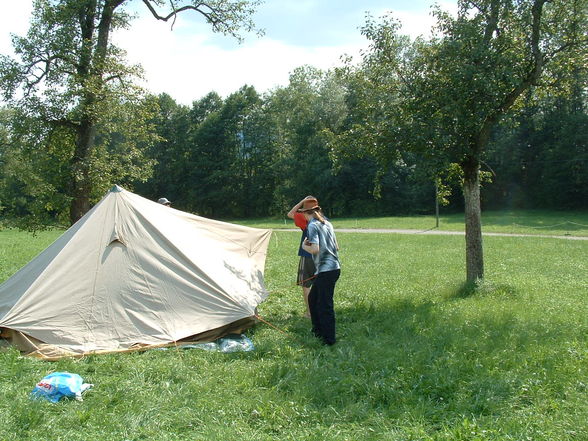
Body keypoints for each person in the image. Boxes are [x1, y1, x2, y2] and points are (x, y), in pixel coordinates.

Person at [300, 202, 340, 346]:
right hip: (334, 268)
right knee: (313, 299)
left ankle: (329, 340)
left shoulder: (312, 225)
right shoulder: (328, 224)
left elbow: (315, 249)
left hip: (326, 271)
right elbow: (337, 246)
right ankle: (317, 331)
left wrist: (304, 246)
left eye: (303, 213)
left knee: (324, 305)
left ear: (306, 213)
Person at [287, 196, 319, 318]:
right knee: (319, 284)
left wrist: (301, 201)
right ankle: (319, 309)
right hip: (322, 257)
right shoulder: (324, 219)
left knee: (306, 284)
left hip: (308, 255)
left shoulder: (305, 219)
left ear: (305, 210)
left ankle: (310, 313)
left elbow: (290, 214)